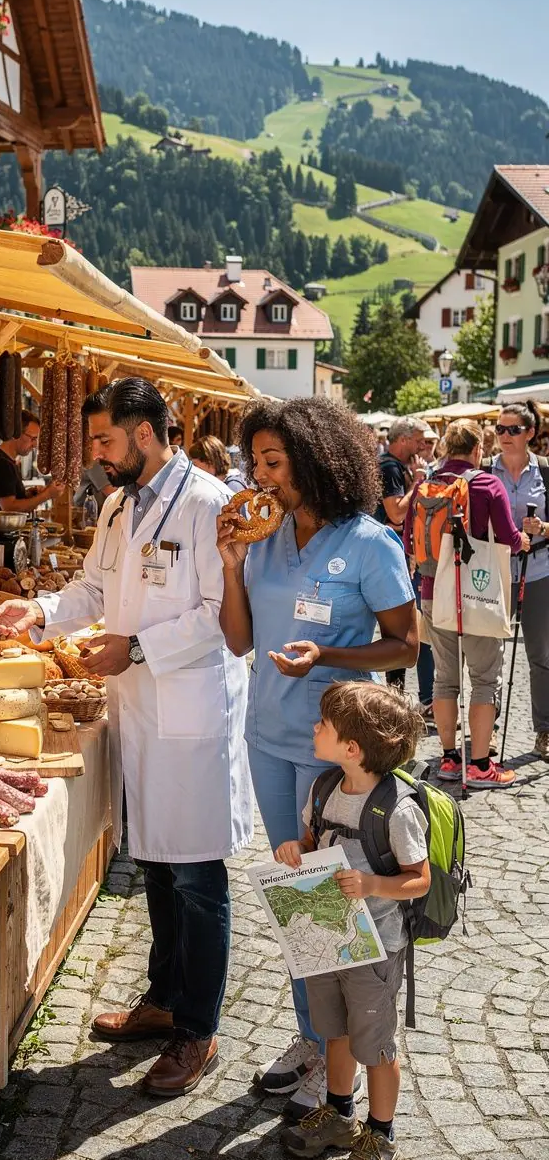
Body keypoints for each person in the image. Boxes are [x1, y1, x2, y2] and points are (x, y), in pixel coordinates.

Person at [0, 378, 252, 1097]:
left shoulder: (207, 505)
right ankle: (164, 999)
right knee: (160, 865)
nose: (97, 454)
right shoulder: (115, 506)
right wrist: (39, 611)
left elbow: (218, 617)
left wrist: (136, 648)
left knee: (198, 875)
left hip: (191, 710)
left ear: (146, 433)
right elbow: (93, 592)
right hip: (140, 712)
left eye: (105, 440)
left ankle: (196, 1029)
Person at [217, 397, 417, 1114]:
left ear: (317, 460)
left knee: (329, 904)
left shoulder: (368, 543)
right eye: (256, 462)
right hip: (267, 741)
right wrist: (232, 568)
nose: (262, 476)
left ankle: (339, 1059)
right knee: (295, 897)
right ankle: (313, 1038)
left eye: (275, 462)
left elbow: (406, 644)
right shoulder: (261, 537)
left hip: (333, 751)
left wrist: (327, 654)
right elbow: (238, 643)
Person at [279, 681, 429, 1160]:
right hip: (327, 937)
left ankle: (381, 1138)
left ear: (352, 748)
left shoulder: (397, 808)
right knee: (335, 1030)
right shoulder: (323, 788)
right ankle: (339, 1116)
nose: (315, 728)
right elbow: (308, 842)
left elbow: (420, 878)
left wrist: (371, 885)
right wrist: (291, 852)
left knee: (375, 1044)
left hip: (376, 946)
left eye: (324, 724)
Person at [405, 420, 527, 789]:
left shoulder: (425, 486)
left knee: (444, 677)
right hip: (478, 592)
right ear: (477, 449)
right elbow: (509, 538)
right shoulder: (488, 484)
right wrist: (526, 536)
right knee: (485, 678)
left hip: (432, 589)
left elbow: (411, 539)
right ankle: (479, 765)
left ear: (444, 448)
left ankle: (447, 758)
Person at [489, 400, 549, 760]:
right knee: (490, 654)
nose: (505, 436)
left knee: (540, 654)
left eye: (513, 429)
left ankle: (544, 730)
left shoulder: (545, 471)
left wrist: (541, 527)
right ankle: (488, 729)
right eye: (500, 429)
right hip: (493, 570)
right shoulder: (484, 471)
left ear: (530, 433)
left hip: (539, 568)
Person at [375, 417, 427, 698]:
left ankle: (395, 692)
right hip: (386, 551)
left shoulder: (394, 466)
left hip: (391, 550)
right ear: (404, 439)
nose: (422, 446)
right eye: (418, 440)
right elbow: (396, 512)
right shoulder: (389, 468)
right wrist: (417, 482)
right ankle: (394, 695)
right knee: (395, 627)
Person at [0, 409, 65, 514]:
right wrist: (47, 495)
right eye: (32, 438)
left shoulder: (7, 461)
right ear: (16, 433)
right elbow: (9, 509)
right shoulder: (1, 464)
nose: (35, 445)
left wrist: (27, 494)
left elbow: (7, 498)